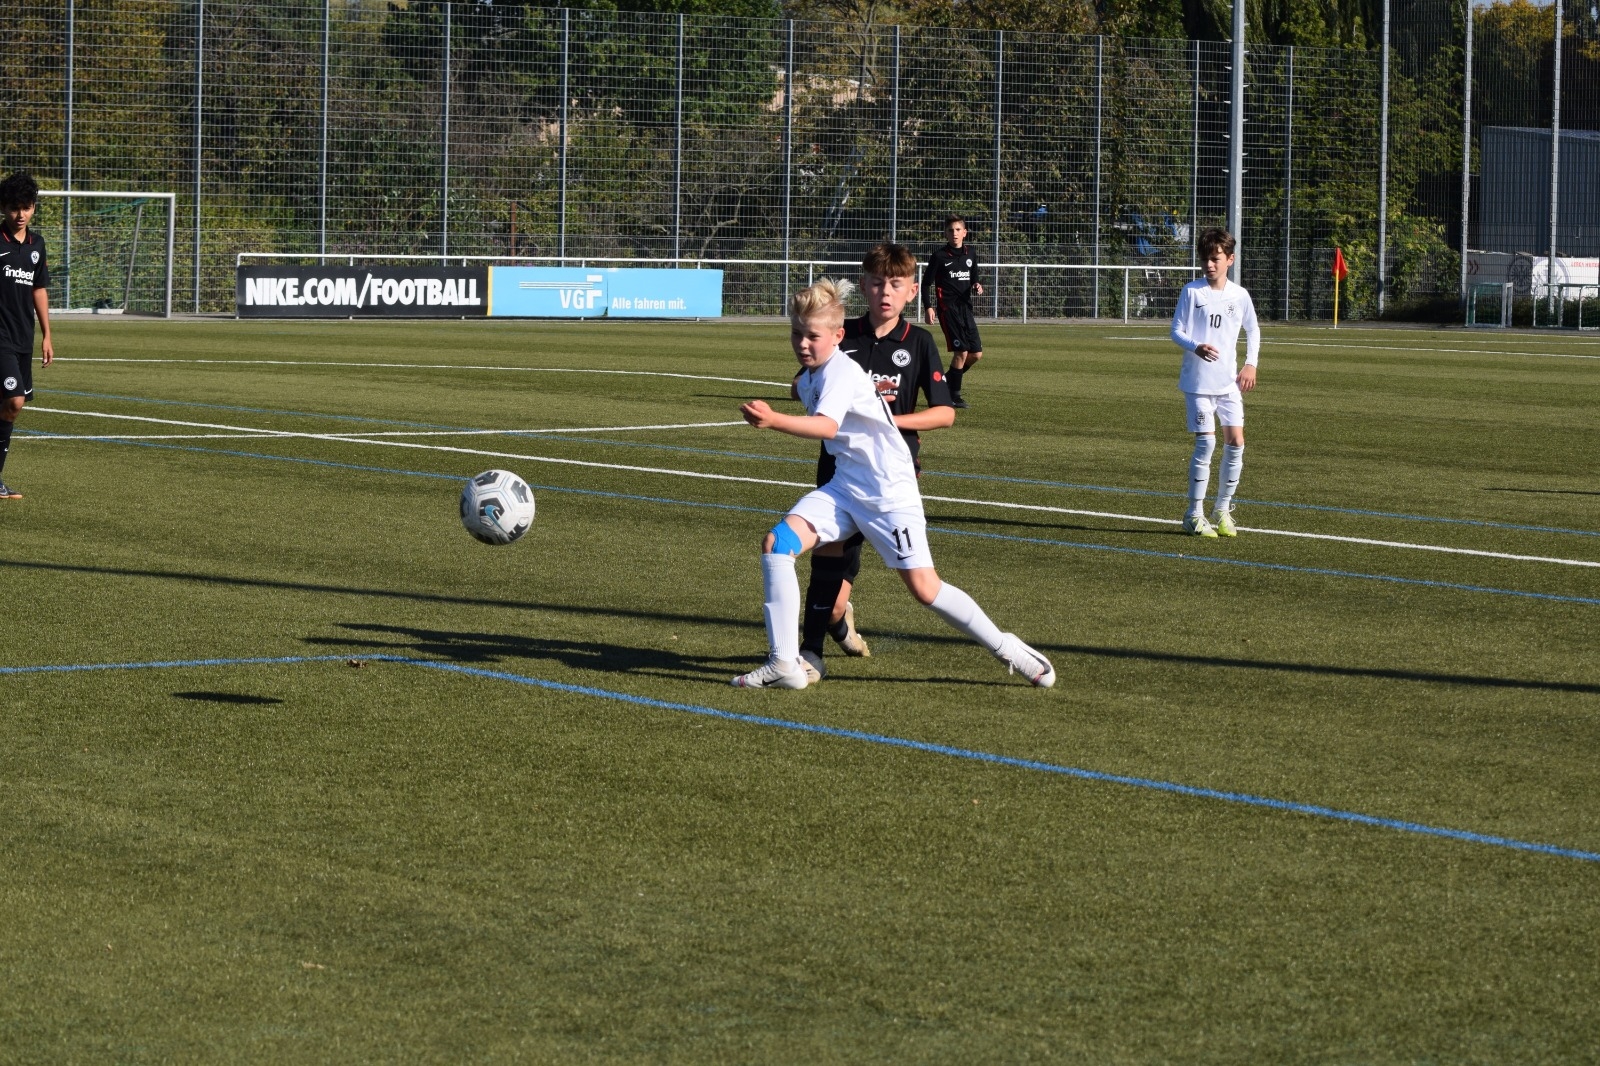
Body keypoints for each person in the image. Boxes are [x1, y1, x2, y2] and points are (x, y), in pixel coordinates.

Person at [733, 278, 1054, 690]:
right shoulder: (814, 375)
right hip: (846, 486)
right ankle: (784, 663)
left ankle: (1007, 648)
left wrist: (774, 419)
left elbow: (827, 426)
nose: (803, 344)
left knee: (925, 589)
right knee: (778, 544)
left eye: (813, 336)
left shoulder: (841, 372)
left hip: (888, 492)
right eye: (797, 334)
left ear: (838, 337)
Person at [797, 241, 954, 684]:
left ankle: (827, 632)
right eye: (877, 282)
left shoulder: (918, 343)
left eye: (896, 284)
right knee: (829, 574)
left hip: (890, 476)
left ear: (912, 291)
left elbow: (944, 413)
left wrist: (885, 419)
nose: (885, 292)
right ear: (864, 286)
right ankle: (812, 650)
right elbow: (802, 382)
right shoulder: (840, 335)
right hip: (839, 469)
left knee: (896, 585)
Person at [1169, 228, 1258, 538]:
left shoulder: (1240, 295)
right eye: (1205, 259)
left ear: (1229, 260)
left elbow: (1253, 330)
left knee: (1236, 443)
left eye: (1215, 259)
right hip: (1197, 384)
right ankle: (1193, 515)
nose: (1209, 264)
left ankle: (1221, 510)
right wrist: (1196, 346)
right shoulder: (1192, 291)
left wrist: (1250, 364)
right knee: (1206, 443)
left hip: (1228, 384)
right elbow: (1176, 331)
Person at [0, 172, 53, 500]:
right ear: (3, 208)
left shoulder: (37, 245)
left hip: (24, 337)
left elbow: (39, 289)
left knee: (8, 408)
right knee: (14, 400)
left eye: (27, 207)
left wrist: (47, 334)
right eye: (14, 208)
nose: (20, 214)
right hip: (0, 338)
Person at [922, 215, 984, 409]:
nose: (954, 233)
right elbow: (926, 284)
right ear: (946, 234)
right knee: (961, 351)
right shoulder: (939, 256)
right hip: (948, 310)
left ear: (965, 233)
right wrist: (928, 307)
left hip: (966, 309)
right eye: (950, 230)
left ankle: (944, 382)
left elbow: (974, 277)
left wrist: (977, 285)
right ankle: (953, 396)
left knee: (976, 354)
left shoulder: (970, 253)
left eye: (958, 230)